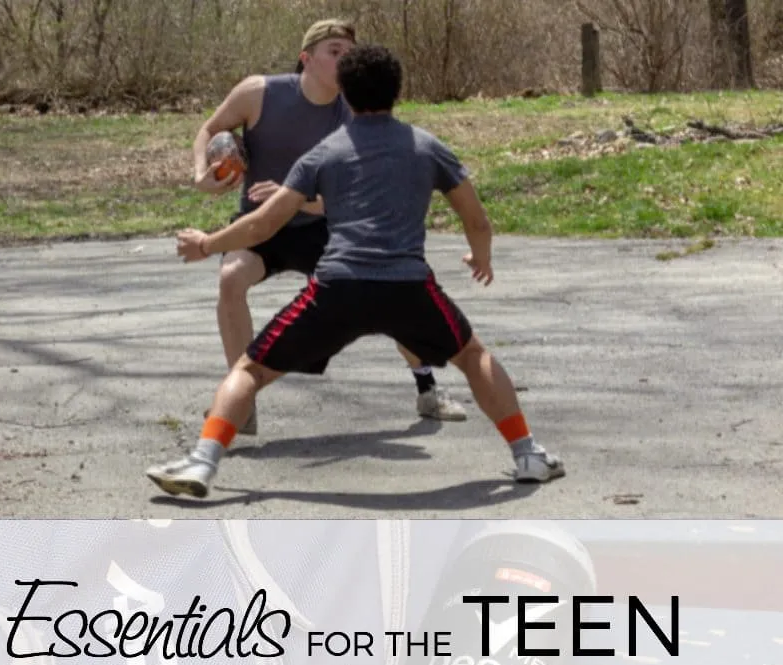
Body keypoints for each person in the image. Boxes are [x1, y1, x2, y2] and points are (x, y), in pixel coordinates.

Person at [148, 44, 563, 500]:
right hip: (408, 289)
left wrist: (208, 243)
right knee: (471, 356)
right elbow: (476, 219)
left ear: (344, 92)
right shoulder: (427, 147)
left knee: (249, 370)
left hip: (337, 288)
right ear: (397, 92)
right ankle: (527, 456)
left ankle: (204, 464)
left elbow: (265, 221)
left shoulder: (324, 153)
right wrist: (480, 257)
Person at [191, 18, 466, 435]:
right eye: (335, 51)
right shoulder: (259, 93)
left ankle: (427, 389)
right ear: (307, 59)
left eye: (349, 53)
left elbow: (350, 197)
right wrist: (202, 172)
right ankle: (241, 404)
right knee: (231, 279)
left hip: (323, 226)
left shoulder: (357, 115)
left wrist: (293, 198)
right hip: (259, 229)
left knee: (387, 284)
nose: (345, 59)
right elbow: (209, 129)